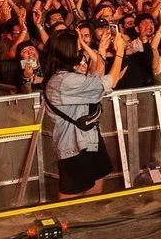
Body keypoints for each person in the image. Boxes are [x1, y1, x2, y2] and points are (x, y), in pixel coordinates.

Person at [43, 30, 125, 199]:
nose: (81, 48)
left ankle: (91, 214)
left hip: (90, 139)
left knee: (95, 188)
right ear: (67, 50)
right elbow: (110, 81)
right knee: (71, 198)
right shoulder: (64, 80)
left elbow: (96, 76)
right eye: (78, 45)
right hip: (74, 145)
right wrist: (120, 53)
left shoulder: (67, 76)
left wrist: (101, 50)